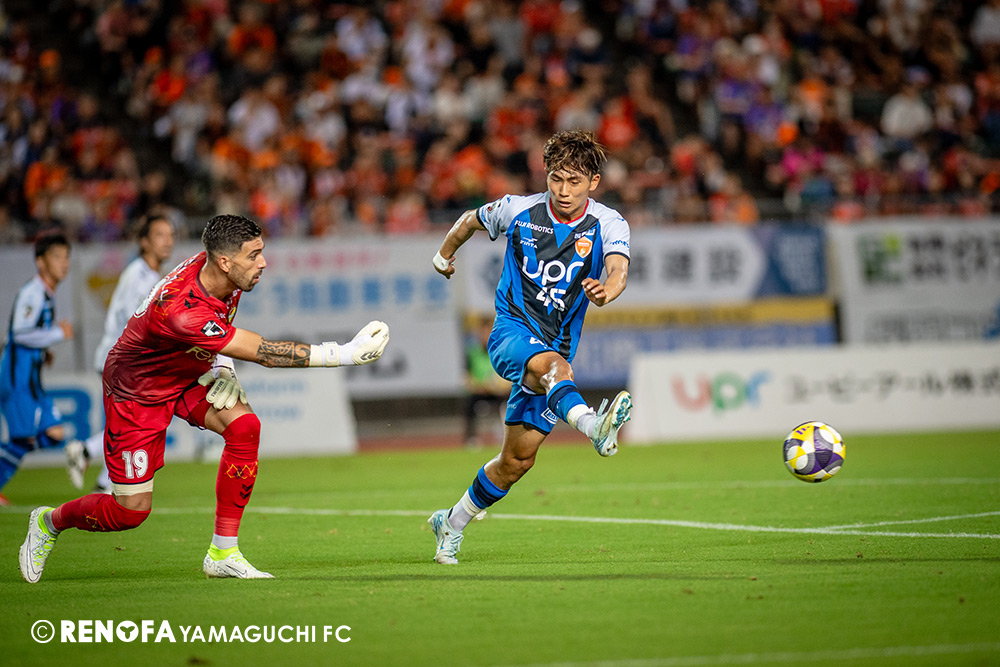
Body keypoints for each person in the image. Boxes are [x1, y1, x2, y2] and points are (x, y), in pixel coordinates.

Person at [19, 214, 390, 582]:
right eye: (254, 255)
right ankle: (50, 521)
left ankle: (223, 552)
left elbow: (221, 328)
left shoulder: (224, 272)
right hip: (138, 390)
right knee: (130, 511)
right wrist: (342, 354)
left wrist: (223, 367)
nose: (263, 262)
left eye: (261, 251)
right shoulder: (180, 310)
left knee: (244, 427)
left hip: (186, 372)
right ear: (225, 261)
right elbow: (262, 352)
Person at [427, 130, 633, 564]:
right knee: (555, 367)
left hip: (556, 351)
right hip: (511, 334)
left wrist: (607, 292)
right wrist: (443, 256)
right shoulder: (517, 210)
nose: (563, 190)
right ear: (546, 174)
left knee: (516, 462)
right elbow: (470, 220)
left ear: (593, 182)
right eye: (557, 178)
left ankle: (451, 523)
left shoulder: (609, 223)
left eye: (574, 181)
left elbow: (618, 269)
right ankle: (593, 426)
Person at [65, 213, 176, 493]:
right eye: (160, 235)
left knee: (131, 424)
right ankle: (88, 453)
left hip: (126, 361)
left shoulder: (151, 276)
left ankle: (101, 479)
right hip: (122, 361)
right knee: (134, 424)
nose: (168, 241)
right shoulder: (138, 276)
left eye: (171, 235)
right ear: (144, 242)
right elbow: (139, 323)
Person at [0, 232, 80, 506]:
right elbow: (20, 333)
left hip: (31, 382)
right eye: (56, 257)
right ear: (40, 262)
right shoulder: (33, 293)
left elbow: (25, 335)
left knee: (54, 433)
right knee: (24, 439)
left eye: (66, 257)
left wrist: (43, 352)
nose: (64, 263)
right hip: (17, 380)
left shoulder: (46, 293)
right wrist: (57, 334)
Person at [462, 315, 509, 447]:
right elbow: (467, 377)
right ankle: (471, 438)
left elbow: (509, 378)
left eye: (488, 332)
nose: (485, 336)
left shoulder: (501, 352)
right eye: (482, 333)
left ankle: (511, 436)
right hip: (480, 392)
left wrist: (499, 386)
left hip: (498, 393)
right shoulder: (472, 353)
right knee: (469, 403)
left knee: (511, 400)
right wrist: (479, 386)